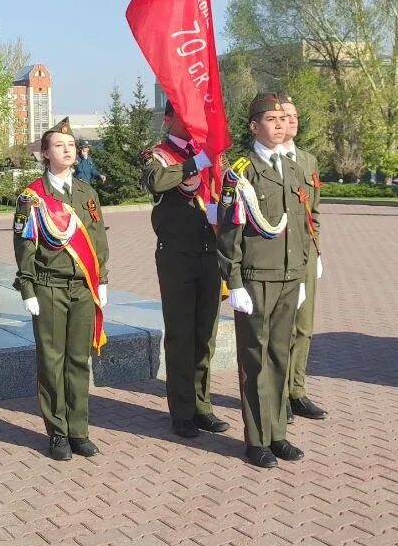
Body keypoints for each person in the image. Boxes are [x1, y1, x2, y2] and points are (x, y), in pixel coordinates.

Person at [217, 93, 311, 468]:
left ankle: (278, 434)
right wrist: (234, 281)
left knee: (279, 356)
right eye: (269, 119)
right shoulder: (241, 171)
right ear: (254, 126)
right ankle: (256, 439)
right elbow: (228, 232)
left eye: (281, 118)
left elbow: (301, 225)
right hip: (256, 277)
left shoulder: (293, 166)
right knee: (255, 360)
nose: (278, 124)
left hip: (289, 275)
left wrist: (302, 274)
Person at [12, 118, 110, 460]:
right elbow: (25, 244)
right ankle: (57, 433)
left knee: (79, 362)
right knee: (52, 362)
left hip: (83, 289)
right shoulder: (33, 197)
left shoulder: (88, 194)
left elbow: (98, 240)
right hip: (49, 286)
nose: (67, 150)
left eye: (70, 146)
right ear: (44, 153)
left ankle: (79, 430)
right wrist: (27, 288)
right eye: (59, 146)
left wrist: (104, 280)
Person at [140, 103, 230, 439]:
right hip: (177, 255)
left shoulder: (208, 155)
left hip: (210, 250)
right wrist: (197, 162)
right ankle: (181, 411)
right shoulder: (159, 154)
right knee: (180, 335)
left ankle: (202, 406)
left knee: (205, 335)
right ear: (168, 119)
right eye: (184, 114)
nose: (192, 121)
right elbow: (156, 181)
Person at [278, 93, 326, 422]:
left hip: (305, 252)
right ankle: (277, 394)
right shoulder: (262, 161)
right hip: (276, 256)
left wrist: (317, 250)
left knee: (303, 326)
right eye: (284, 116)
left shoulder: (308, 161)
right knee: (278, 328)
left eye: (295, 116)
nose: (291, 121)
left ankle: (297, 390)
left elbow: (316, 211)